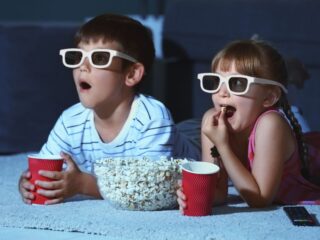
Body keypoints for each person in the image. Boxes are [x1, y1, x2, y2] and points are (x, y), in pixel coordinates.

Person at [19, 13, 200, 205]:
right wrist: (30, 182)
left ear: (131, 74)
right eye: (78, 56)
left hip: (198, 140)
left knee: (217, 139)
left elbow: (149, 189)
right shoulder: (70, 121)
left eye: (99, 58)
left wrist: (83, 184)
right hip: (176, 132)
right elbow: (46, 166)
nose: (83, 66)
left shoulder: (152, 118)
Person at [177, 40, 320, 211]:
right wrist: (190, 192)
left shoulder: (271, 125)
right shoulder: (212, 120)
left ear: (269, 97)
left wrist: (223, 146)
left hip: (312, 160)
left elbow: (260, 199)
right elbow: (219, 193)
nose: (222, 93)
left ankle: (292, 86)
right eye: (216, 81)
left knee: (294, 119)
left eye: (237, 83)